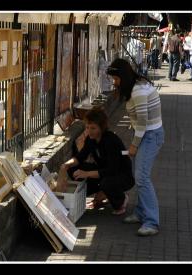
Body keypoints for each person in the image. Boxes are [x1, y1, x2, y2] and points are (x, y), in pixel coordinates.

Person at [106, 58, 164, 236]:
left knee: (142, 177)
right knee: (140, 176)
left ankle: (152, 221)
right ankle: (141, 212)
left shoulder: (138, 91)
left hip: (150, 135)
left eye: (116, 79)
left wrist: (133, 145)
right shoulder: (135, 86)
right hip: (147, 133)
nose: (114, 82)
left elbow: (143, 122)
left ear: (123, 76)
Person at [60, 108, 135, 215]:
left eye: (93, 128)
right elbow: (80, 157)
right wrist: (66, 165)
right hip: (104, 171)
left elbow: (111, 170)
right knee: (73, 168)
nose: (89, 131)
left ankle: (121, 200)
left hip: (121, 175)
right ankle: (100, 193)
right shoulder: (90, 139)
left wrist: (86, 174)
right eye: (87, 127)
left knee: (106, 183)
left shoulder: (111, 141)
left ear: (102, 128)